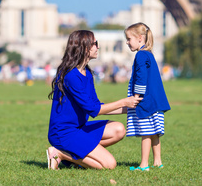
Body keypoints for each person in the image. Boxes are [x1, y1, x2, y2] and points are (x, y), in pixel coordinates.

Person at [47, 30, 142, 170]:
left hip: (78, 128)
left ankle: (75, 156)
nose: (98, 47)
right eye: (95, 44)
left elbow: (97, 106)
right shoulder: (70, 76)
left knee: (119, 129)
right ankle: (60, 153)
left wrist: (131, 109)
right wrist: (124, 102)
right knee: (109, 165)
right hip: (63, 133)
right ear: (84, 47)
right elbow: (94, 110)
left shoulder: (87, 72)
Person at [124, 23, 171, 171]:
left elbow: (141, 77)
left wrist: (136, 96)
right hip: (156, 101)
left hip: (146, 101)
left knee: (146, 133)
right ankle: (157, 161)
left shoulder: (141, 55)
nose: (126, 42)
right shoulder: (149, 54)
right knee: (155, 132)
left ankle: (144, 165)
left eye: (128, 38)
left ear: (139, 38)